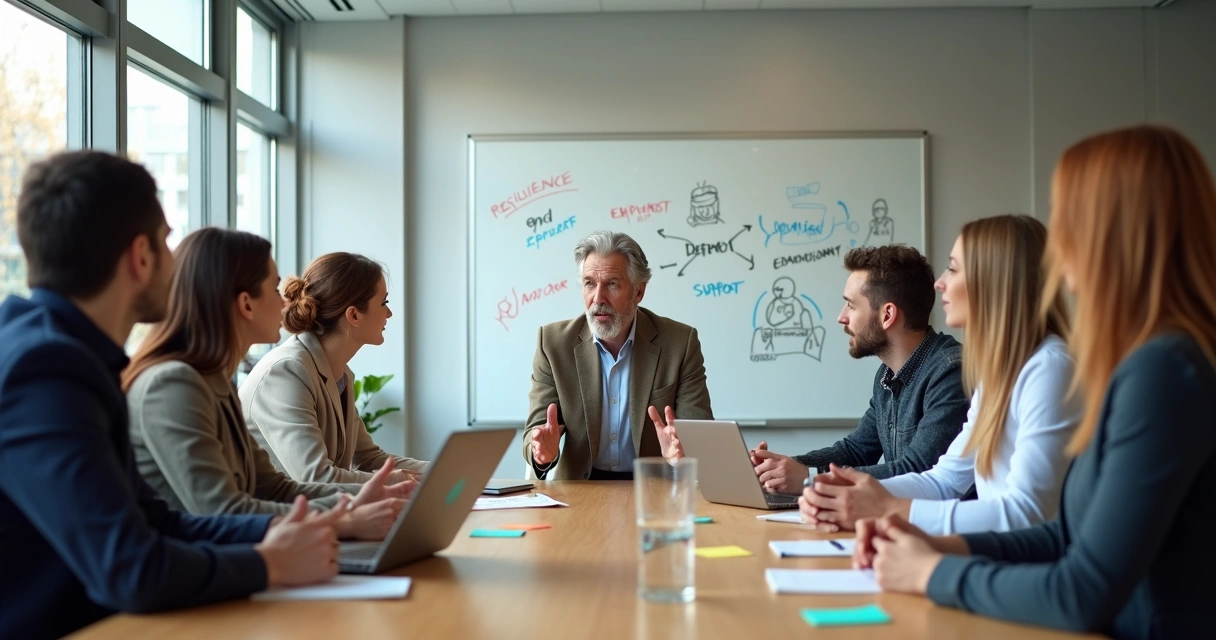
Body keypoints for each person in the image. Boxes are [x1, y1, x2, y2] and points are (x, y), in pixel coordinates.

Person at [853, 125, 1216, 639]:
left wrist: (931, 572)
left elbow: (1082, 591)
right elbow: (1067, 534)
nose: (1058, 247)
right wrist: (935, 546)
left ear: (1113, 235)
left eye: (1069, 220)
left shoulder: (1164, 373)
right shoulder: (1145, 363)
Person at [0, 151, 342, 639]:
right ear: (140, 256)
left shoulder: (64, 355)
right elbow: (130, 569)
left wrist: (289, 533)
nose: (176, 263)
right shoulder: (46, 371)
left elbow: (159, 523)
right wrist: (269, 564)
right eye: (166, 241)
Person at [124, 228, 413, 542]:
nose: (286, 301)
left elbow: (274, 489)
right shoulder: (174, 386)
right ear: (246, 304)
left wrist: (363, 500)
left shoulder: (213, 382)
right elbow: (224, 512)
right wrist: (345, 517)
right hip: (207, 565)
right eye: (275, 289)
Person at [799, 215, 1080, 534]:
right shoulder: (1000, 375)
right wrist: (842, 490)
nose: (939, 282)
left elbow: (1027, 514)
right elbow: (944, 480)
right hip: (995, 553)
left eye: (953, 269)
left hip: (1023, 561)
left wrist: (884, 507)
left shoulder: (1049, 368)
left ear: (995, 281)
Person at [658, 245, 969, 491]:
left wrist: (808, 478)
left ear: (887, 315)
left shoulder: (950, 372)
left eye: (851, 305)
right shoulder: (887, 375)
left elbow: (918, 471)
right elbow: (855, 450)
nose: (841, 317)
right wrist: (779, 467)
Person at [523, 230, 713, 480]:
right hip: (581, 488)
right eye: (589, 283)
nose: (598, 298)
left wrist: (683, 453)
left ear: (638, 292)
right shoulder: (553, 344)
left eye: (612, 284)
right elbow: (535, 433)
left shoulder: (679, 344)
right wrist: (541, 452)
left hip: (653, 486)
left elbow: (701, 439)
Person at [240, 252, 426, 484]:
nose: (389, 313)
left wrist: (445, 469)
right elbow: (317, 477)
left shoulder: (340, 374)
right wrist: (397, 480)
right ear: (354, 315)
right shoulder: (286, 371)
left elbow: (369, 458)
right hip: (275, 508)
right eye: (383, 303)